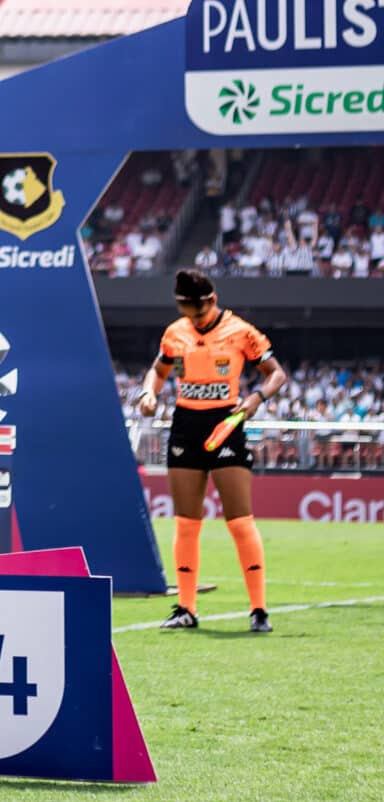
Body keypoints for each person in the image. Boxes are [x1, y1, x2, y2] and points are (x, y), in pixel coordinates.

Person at [139, 269, 287, 633]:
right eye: (187, 310)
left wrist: (256, 398)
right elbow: (157, 371)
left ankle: (259, 610)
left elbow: (276, 374)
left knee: (239, 520)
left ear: (212, 300)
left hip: (227, 424)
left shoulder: (241, 331)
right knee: (186, 523)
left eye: (199, 310)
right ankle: (186, 608)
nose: (194, 317)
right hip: (185, 427)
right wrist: (148, 393)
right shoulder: (175, 333)